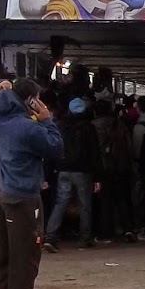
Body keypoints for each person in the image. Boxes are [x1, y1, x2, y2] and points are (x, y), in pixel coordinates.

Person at [0, 80, 63, 289]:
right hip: (23, 195)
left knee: (7, 254)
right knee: (26, 255)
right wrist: (47, 120)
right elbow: (56, 148)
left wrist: (2, 91)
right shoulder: (27, 127)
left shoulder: (0, 117)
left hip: (3, 191)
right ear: (31, 100)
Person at [45, 95, 98, 251]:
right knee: (85, 205)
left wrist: (49, 172)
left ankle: (50, 236)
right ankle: (85, 239)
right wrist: (97, 176)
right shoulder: (88, 128)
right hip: (83, 170)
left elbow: (53, 148)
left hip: (63, 169)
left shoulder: (60, 126)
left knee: (60, 203)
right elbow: (94, 152)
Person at [92, 99, 136, 243]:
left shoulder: (93, 126)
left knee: (105, 201)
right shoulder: (120, 124)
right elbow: (129, 146)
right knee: (123, 199)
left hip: (103, 167)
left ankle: (105, 233)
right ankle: (128, 228)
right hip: (121, 166)